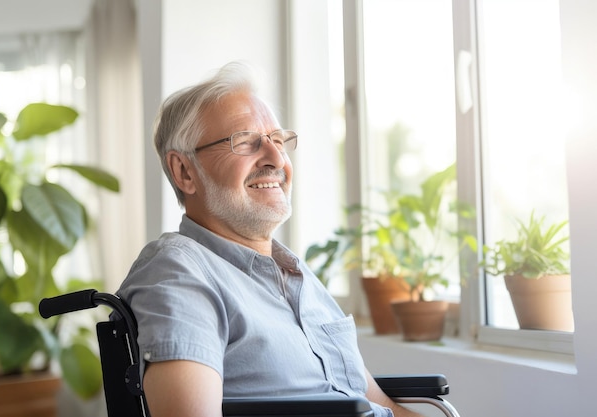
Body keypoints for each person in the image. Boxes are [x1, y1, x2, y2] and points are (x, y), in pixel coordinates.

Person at [116, 62, 423, 417]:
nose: (277, 158)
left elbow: (380, 405)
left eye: (278, 140)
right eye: (245, 142)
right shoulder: (179, 272)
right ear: (185, 171)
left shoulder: (297, 276)